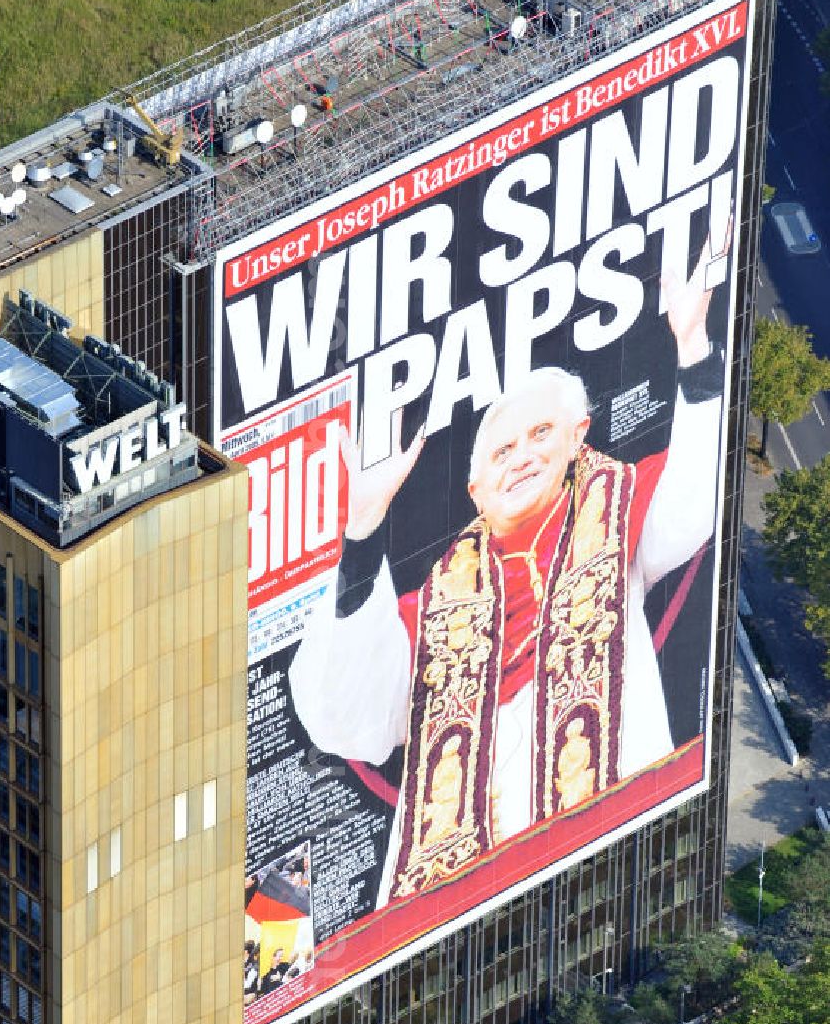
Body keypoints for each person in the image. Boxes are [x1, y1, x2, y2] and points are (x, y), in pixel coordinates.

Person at [290, 233, 727, 906]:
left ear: (580, 435)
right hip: (453, 914)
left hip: (604, 862)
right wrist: (363, 527)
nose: (520, 458)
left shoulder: (618, 510)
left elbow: (699, 499)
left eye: (540, 435)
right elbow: (343, 719)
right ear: (475, 491)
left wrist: (693, 345)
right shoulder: (433, 599)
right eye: (501, 451)